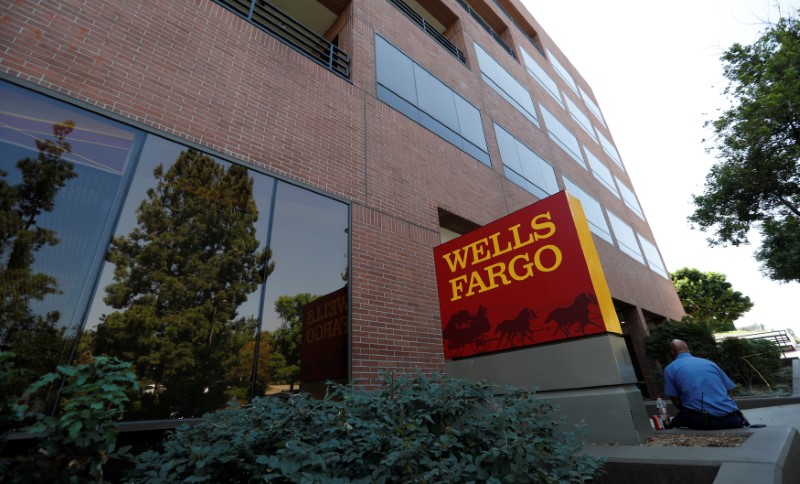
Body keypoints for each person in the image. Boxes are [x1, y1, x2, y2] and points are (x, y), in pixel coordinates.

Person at [663, 339, 747, 430]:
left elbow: (676, 400)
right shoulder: (710, 363)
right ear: (688, 350)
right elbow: (729, 391)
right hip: (733, 419)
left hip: (703, 421)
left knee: (674, 422)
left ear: (672, 352)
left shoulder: (670, 369)